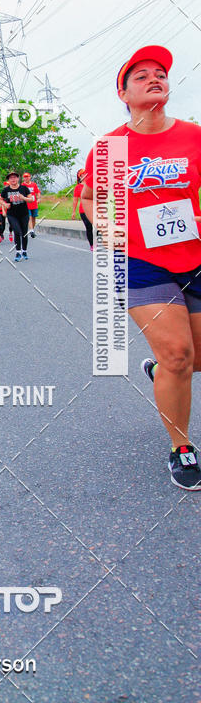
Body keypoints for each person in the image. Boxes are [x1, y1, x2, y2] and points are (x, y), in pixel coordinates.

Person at [81, 45, 201, 490]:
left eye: (160, 73)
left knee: (190, 360)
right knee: (178, 354)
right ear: (124, 94)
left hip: (193, 257)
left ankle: (161, 370)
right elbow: (89, 199)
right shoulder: (110, 148)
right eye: (142, 75)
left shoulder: (193, 136)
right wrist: (109, 228)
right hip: (139, 262)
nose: (154, 78)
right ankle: (181, 447)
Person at [0, 173, 34, 261]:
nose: (13, 179)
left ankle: (24, 251)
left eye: (14, 177)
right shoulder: (6, 190)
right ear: (8, 180)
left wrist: (24, 198)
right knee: (17, 231)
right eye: (11, 178)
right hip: (12, 215)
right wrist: (5, 204)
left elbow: (31, 199)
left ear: (18, 179)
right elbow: (0, 199)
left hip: (24, 214)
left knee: (24, 233)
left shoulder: (24, 188)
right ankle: (18, 252)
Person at [71, 169, 94, 250]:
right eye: (83, 174)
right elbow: (75, 200)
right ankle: (92, 245)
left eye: (86, 173)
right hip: (83, 210)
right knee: (89, 227)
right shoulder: (78, 187)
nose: (85, 175)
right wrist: (73, 212)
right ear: (80, 176)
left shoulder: (92, 184)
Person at [22, 172, 41, 237]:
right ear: (23, 178)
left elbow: (38, 192)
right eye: (25, 177)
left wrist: (38, 199)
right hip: (26, 205)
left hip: (34, 204)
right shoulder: (22, 185)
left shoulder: (34, 184)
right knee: (29, 217)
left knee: (34, 218)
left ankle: (32, 229)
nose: (26, 178)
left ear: (30, 177)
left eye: (27, 177)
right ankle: (31, 230)